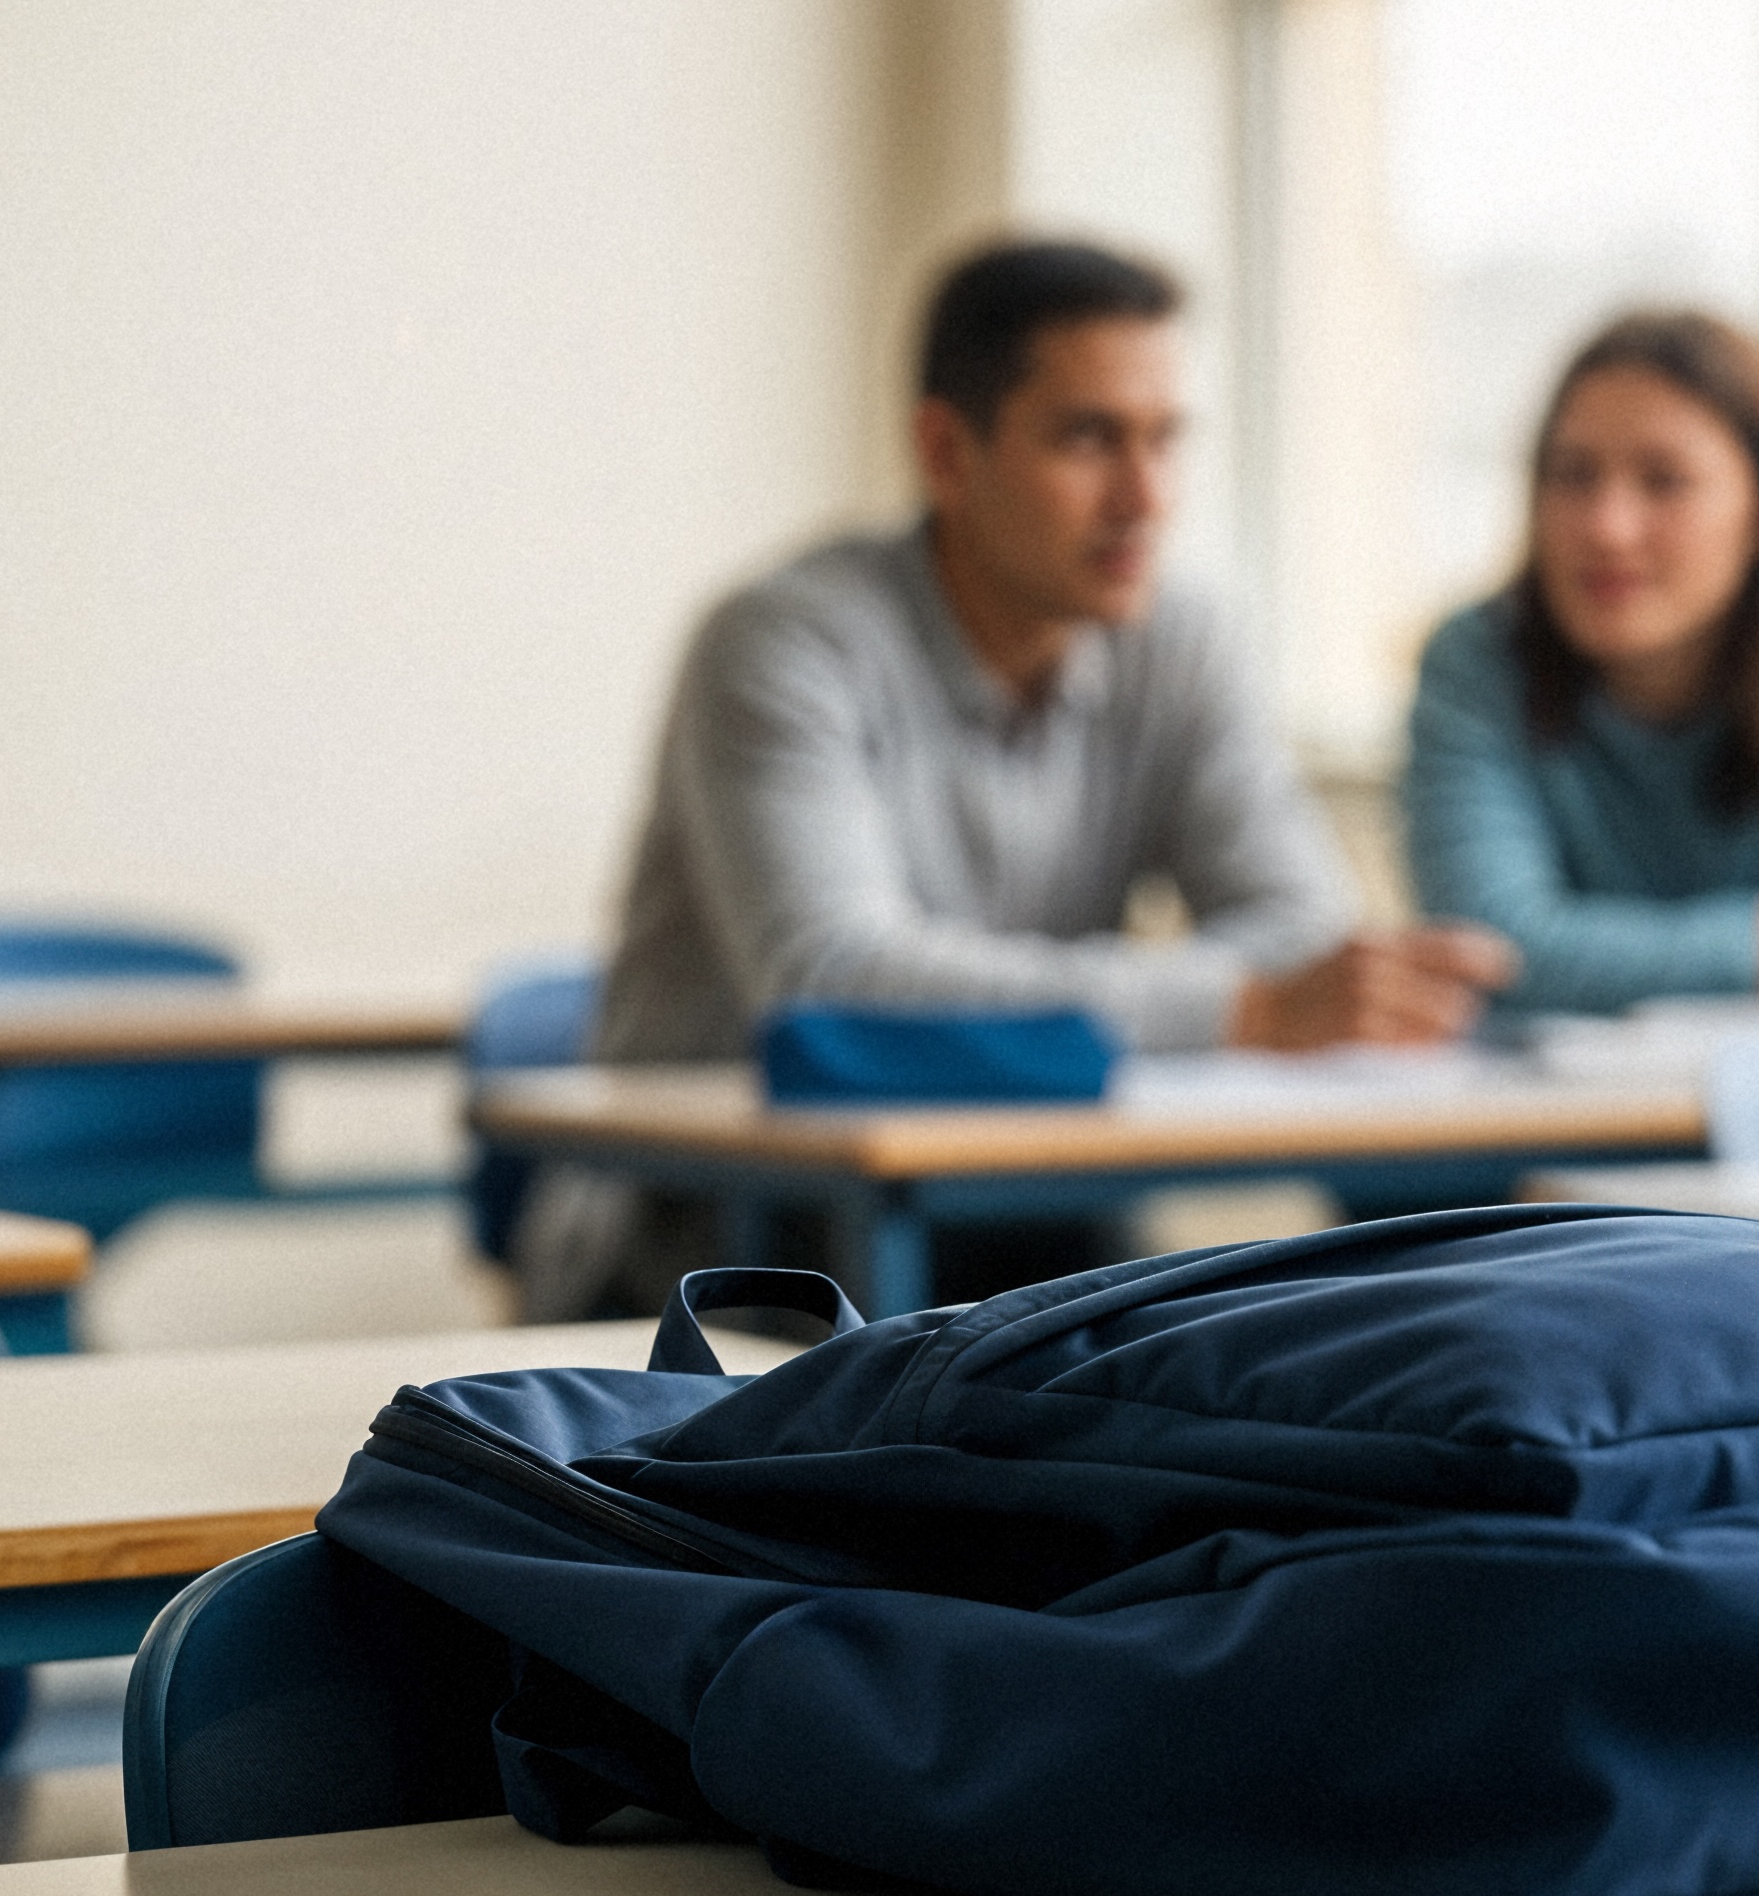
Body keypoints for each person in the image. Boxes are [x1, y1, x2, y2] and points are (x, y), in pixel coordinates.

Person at [527, 238, 1514, 1315]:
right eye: (1090, 439)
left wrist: (1260, 999)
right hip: (715, 1247)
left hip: (1020, 1213)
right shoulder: (782, 643)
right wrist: (1236, 1006)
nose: (1144, 496)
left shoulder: (1179, 640)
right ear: (947, 453)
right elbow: (833, 977)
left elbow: (1304, 939)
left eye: (1165, 440)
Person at [1403, 312, 1759, 1014]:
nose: (1607, 526)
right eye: (1572, 475)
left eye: (1664, 481)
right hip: (1552, 1114)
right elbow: (1492, 948)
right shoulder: (1476, 659)